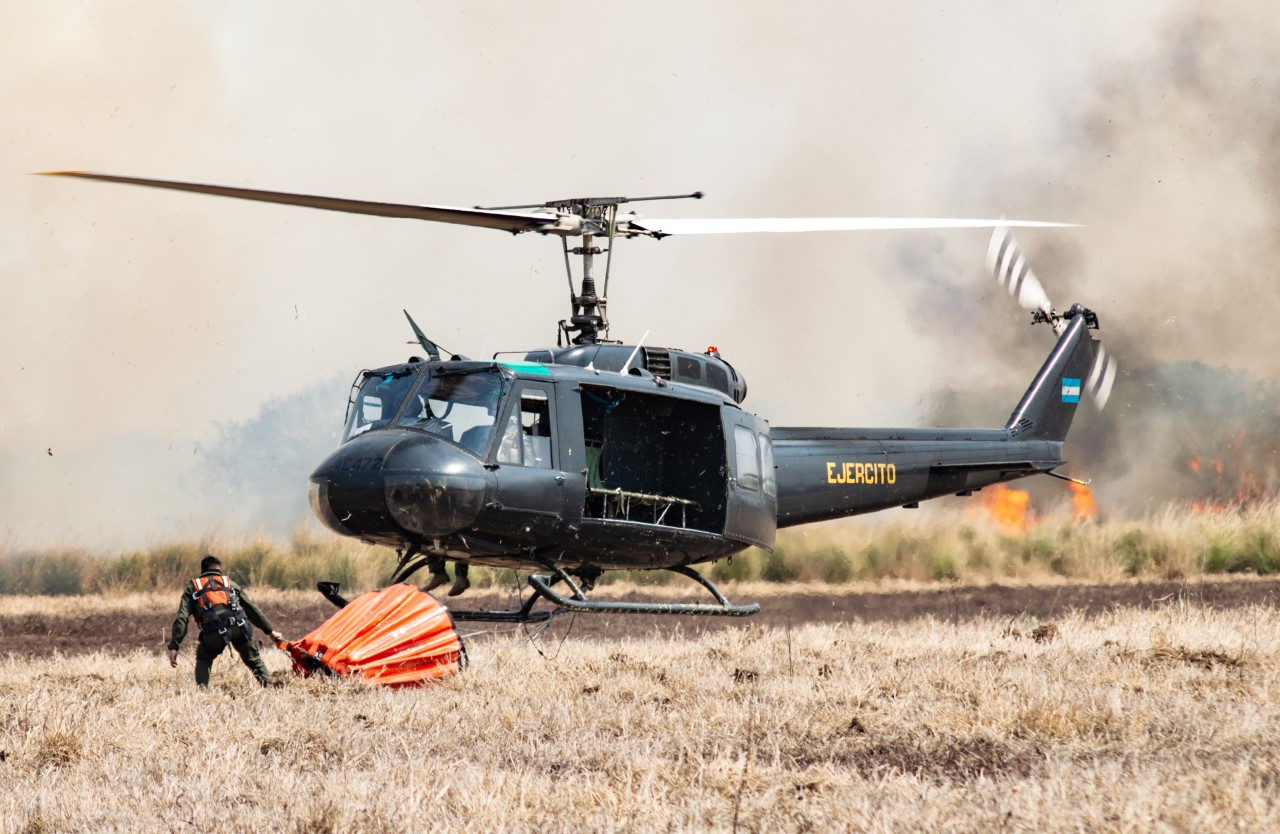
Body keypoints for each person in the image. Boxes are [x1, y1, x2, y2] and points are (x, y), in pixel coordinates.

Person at [166, 554, 284, 687]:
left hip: (214, 632)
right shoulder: (230, 584)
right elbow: (252, 609)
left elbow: (182, 618)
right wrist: (270, 631)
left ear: (203, 570)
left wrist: (175, 645)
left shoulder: (193, 588)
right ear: (219, 569)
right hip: (241, 627)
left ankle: (203, 691)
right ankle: (269, 686)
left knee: (204, 658)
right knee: (254, 659)